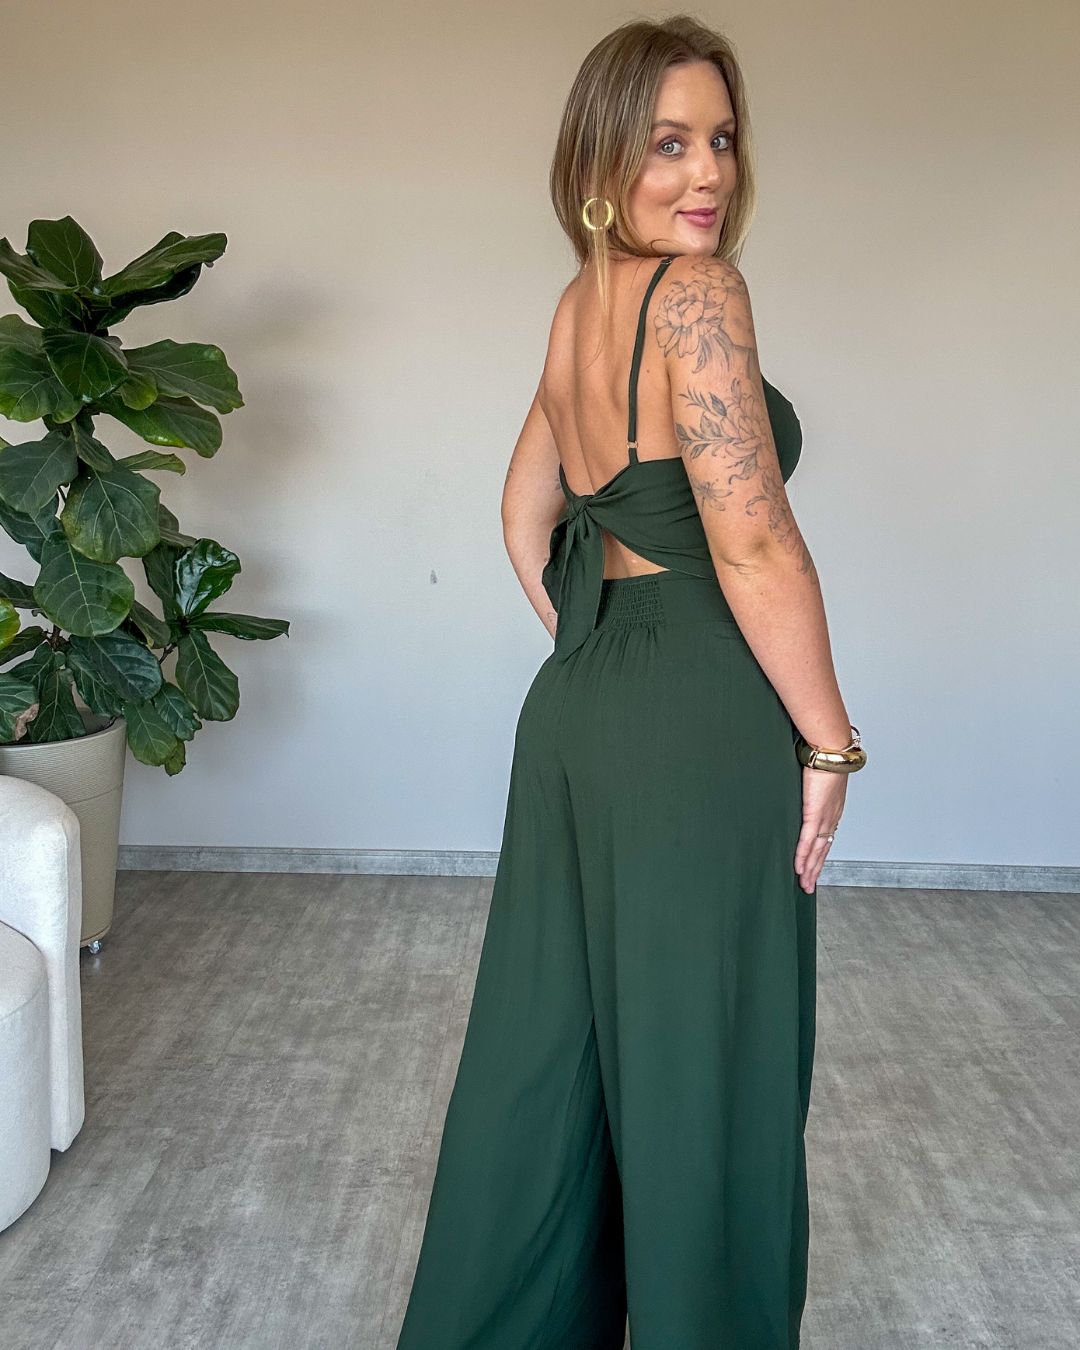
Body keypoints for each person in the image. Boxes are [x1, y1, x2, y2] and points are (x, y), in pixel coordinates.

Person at [395, 15, 866, 1350]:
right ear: (602, 155)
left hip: (579, 716)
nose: (705, 172)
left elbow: (523, 514)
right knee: (704, 1067)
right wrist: (829, 744)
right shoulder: (698, 296)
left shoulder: (579, 303)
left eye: (721, 138)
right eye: (668, 143)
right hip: (698, 726)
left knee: (556, 1056)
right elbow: (755, 541)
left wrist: (603, 643)